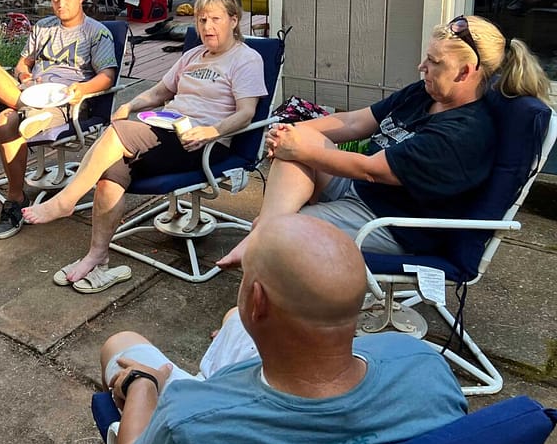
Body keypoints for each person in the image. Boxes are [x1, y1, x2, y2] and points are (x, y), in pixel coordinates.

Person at [101, 213, 467, 444]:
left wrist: (141, 385)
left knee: (121, 345)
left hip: (216, 412)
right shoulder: (424, 365)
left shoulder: (188, 423)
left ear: (257, 301)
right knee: (233, 321)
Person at [218, 14, 552, 269]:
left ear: (466, 72)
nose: (422, 66)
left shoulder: (463, 134)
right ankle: (265, 234)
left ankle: (259, 274)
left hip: (394, 224)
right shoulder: (426, 92)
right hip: (362, 191)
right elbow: (355, 121)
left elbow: (372, 170)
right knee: (299, 144)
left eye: (434, 63)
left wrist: (303, 148)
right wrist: (298, 132)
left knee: (284, 237)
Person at [23, 0, 265, 293]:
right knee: (110, 175)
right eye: (202, 19)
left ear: (233, 20)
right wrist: (131, 105)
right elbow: (160, 93)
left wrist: (212, 131)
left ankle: (66, 201)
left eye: (215, 19)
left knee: (118, 133)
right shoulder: (192, 55)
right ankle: (97, 260)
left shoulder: (246, 59)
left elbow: (246, 113)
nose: (207, 27)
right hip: (167, 133)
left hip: (204, 145)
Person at [0, 0, 118, 239]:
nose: (60, 4)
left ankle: (15, 194)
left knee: (6, 121)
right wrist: (22, 75)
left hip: (64, 103)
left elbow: (107, 76)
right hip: (30, 92)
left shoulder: (96, 33)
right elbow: (22, 63)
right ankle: (17, 194)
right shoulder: (43, 27)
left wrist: (81, 89)